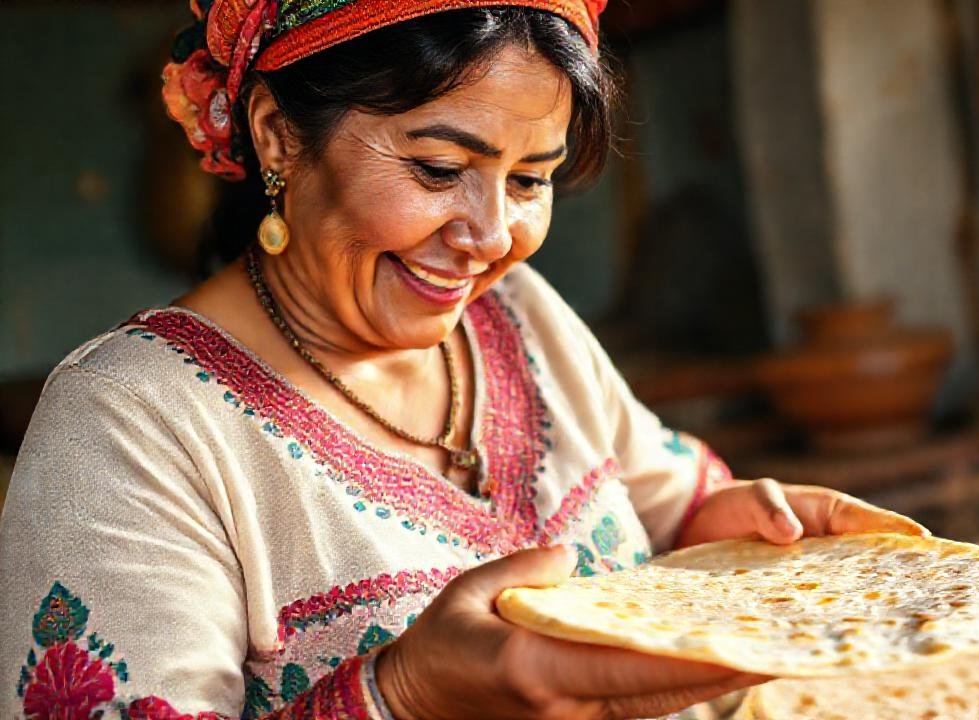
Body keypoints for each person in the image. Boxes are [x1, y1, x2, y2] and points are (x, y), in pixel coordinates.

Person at [0, 2, 925, 719]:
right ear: (280, 134)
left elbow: (658, 495)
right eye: (441, 170)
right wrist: (401, 694)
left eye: (530, 180)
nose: (490, 239)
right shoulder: (132, 424)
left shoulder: (517, 316)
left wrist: (722, 532)